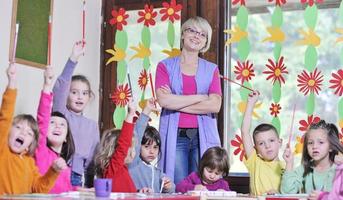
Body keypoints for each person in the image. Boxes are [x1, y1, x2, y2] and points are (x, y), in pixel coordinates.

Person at [156, 16, 222, 184]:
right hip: (176, 136)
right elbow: (164, 101)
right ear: (183, 35)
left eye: (202, 34)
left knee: (201, 187)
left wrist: (176, 101)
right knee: (177, 186)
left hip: (203, 136)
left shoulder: (212, 69)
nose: (196, 36)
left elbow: (215, 105)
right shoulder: (165, 66)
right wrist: (201, 97)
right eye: (192, 30)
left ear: (206, 41)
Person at [0, 63, 66, 194]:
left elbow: (39, 188)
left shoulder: (30, 163)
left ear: (31, 143)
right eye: (18, 127)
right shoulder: (3, 150)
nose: (23, 132)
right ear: (8, 132)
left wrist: (53, 171)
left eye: (29, 133)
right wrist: (12, 82)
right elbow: (5, 116)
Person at [52, 41, 100, 187]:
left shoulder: (92, 125)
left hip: (80, 177)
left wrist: (91, 184)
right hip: (59, 170)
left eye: (84, 93)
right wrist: (73, 59)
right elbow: (60, 89)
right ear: (67, 95)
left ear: (89, 96)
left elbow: (93, 158)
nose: (80, 97)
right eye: (74, 92)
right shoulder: (62, 115)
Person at [35, 66, 76, 193]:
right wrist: (47, 85)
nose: (57, 126)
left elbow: (70, 189)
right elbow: (42, 117)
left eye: (62, 125)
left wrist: (87, 191)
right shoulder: (40, 151)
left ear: (66, 138)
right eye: (52, 123)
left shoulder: (66, 166)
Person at [281, 120, 343, 196]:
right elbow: (287, 192)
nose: (314, 146)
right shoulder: (303, 169)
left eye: (320, 142)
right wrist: (289, 163)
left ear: (330, 147)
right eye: (310, 143)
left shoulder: (339, 169)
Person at [241, 91, 283, 195]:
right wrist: (251, 103)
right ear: (256, 149)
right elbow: (245, 132)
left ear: (280, 142)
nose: (267, 146)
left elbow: (292, 193)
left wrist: (278, 194)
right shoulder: (255, 161)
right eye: (261, 143)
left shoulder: (286, 168)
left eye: (271, 140)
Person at [129, 98, 175, 193]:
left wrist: (168, 186)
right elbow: (137, 133)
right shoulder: (133, 164)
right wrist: (147, 110)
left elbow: (171, 190)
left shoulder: (158, 173)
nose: (152, 151)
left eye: (155, 147)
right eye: (147, 146)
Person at [95, 100, 136, 192]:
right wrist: (130, 114)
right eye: (131, 147)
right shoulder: (114, 170)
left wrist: (139, 192)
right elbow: (123, 144)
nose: (134, 151)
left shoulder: (121, 170)